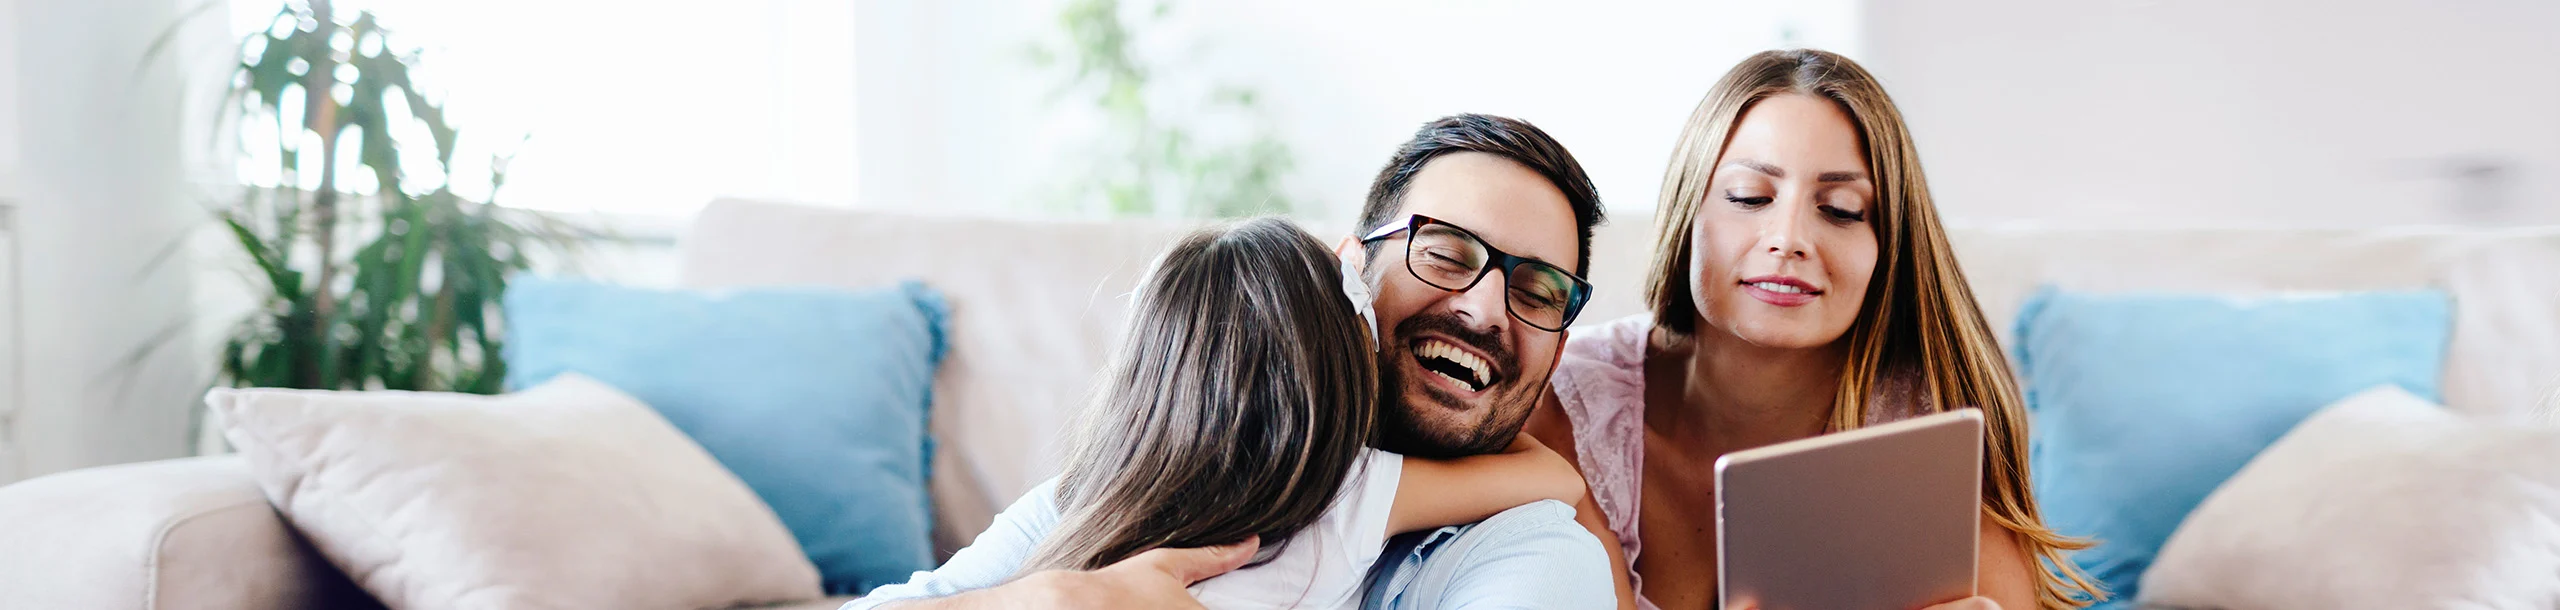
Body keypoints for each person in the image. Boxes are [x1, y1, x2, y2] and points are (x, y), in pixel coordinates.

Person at [846, 114, 1622, 610]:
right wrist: (1037, 600)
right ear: (1349, 271)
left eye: (1539, 291)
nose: (1486, 308)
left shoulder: (1532, 556)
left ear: (1559, 344)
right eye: (1447, 254)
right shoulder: (1120, 496)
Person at [1522, 49, 2107, 610]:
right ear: (1688, 211)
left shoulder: (1930, 439)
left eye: (1842, 209)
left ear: (1889, 246)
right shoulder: (1568, 397)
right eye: (1750, 197)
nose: (1789, 238)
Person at [1009, 217, 1592, 609]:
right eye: (1443, 256)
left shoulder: (1100, 506)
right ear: (1341, 374)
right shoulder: (1347, 496)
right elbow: (1558, 479)